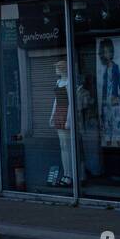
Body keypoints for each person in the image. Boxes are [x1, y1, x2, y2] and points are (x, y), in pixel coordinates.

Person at [49, 59, 72, 187]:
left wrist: (68, 119)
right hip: (59, 112)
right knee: (63, 145)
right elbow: (56, 101)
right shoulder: (58, 82)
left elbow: (70, 102)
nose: (56, 69)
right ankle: (66, 173)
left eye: (58, 67)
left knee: (68, 146)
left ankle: (69, 174)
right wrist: (52, 115)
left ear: (63, 68)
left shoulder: (69, 82)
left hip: (66, 112)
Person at [98, 38, 120, 147]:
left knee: (117, 126)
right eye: (104, 52)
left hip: (114, 99)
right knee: (107, 128)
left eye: (108, 51)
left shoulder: (116, 67)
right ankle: (108, 150)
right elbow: (103, 87)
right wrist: (103, 102)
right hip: (106, 101)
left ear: (112, 52)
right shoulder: (104, 70)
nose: (107, 54)